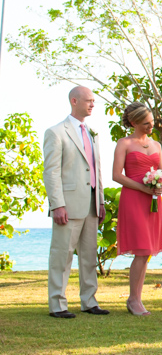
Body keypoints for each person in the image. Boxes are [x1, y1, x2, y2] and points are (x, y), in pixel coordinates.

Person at [42, 86, 109, 318]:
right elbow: (51, 172)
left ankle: (89, 301)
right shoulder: (56, 132)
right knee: (62, 255)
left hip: (91, 204)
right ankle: (57, 304)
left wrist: (99, 201)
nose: (92, 104)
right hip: (67, 205)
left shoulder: (92, 133)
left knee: (89, 256)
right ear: (74, 101)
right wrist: (56, 204)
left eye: (94, 101)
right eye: (88, 100)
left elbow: (96, 169)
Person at [111, 102, 162, 316]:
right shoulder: (124, 143)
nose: (151, 126)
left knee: (147, 252)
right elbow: (117, 175)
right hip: (134, 199)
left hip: (152, 201)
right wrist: (144, 188)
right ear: (134, 122)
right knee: (141, 250)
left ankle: (136, 298)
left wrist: (159, 184)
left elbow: (161, 172)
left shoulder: (156, 145)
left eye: (152, 122)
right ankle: (134, 300)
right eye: (146, 123)